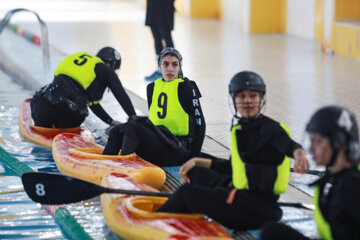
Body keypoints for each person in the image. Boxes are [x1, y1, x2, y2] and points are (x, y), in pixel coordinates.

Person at [156, 71, 310, 231]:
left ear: (261, 98)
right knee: (196, 171)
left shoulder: (271, 130)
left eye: (253, 96)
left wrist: (299, 154)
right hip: (239, 195)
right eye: (241, 96)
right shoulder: (241, 129)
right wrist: (198, 161)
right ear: (234, 100)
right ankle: (189, 211)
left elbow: (289, 145)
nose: (247, 101)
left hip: (253, 211)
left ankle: (153, 224)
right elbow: (234, 168)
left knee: (186, 192)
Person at [260, 106, 360, 240]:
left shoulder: (352, 185)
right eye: (311, 141)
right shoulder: (339, 178)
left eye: (318, 142)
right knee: (273, 232)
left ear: (339, 142)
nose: (311, 149)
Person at [103, 47, 205, 167]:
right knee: (116, 130)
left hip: (179, 149)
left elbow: (200, 124)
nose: (170, 68)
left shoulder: (186, 87)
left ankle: (125, 168)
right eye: (165, 64)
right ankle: (104, 165)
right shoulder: (152, 88)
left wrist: (193, 158)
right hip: (161, 143)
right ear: (160, 66)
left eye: (174, 64)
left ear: (179, 68)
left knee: (133, 126)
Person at [30, 47, 136, 128]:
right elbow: (122, 96)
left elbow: (92, 103)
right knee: (78, 107)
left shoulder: (81, 58)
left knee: (45, 93)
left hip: (42, 108)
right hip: (68, 116)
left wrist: (109, 121)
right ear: (112, 65)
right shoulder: (106, 71)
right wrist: (135, 119)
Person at [144, 0, 175, 82]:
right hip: (153, 6)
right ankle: (160, 69)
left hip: (164, 6)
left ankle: (172, 70)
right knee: (156, 38)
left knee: (166, 37)